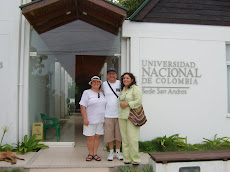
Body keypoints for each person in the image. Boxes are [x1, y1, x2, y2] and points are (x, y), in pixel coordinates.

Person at [79, 76, 106, 161]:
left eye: (98, 82)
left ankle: (95, 154)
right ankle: (90, 154)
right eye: (94, 82)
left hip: (101, 119)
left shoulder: (102, 93)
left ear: (100, 84)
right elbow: (83, 106)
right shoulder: (87, 92)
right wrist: (85, 118)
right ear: (91, 83)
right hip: (90, 119)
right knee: (90, 137)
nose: (96, 83)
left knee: (97, 136)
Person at [118, 72, 142, 165]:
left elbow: (138, 102)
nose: (125, 80)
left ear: (132, 79)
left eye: (127, 78)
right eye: (124, 78)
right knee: (125, 139)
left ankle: (135, 159)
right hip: (122, 116)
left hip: (132, 116)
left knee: (133, 139)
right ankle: (126, 158)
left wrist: (127, 104)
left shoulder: (136, 89)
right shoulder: (123, 89)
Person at [101, 68, 123, 161]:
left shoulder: (120, 83)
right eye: (109, 74)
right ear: (107, 75)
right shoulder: (104, 85)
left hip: (120, 114)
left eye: (113, 73)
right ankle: (111, 152)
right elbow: (101, 96)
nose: (111, 75)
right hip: (108, 114)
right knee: (109, 134)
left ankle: (118, 152)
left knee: (119, 134)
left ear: (116, 75)